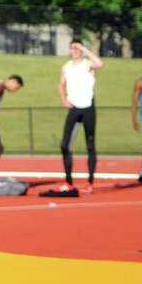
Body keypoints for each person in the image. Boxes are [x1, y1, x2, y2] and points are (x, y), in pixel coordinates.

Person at [58, 39, 104, 194]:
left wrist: (85, 49)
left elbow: (100, 63)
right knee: (64, 145)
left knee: (90, 145)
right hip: (74, 108)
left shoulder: (87, 64)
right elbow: (61, 84)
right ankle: (68, 182)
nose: (76, 50)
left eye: (78, 48)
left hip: (88, 108)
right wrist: (64, 99)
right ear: (70, 50)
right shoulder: (67, 66)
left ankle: (90, 182)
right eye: (73, 48)